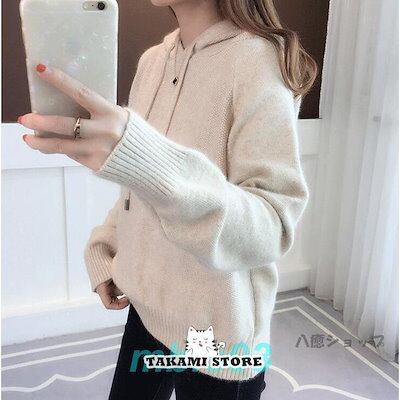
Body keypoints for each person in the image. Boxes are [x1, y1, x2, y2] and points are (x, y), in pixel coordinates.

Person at [19, 0, 318, 398]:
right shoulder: (153, 62)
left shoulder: (257, 61)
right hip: (146, 310)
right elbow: (139, 189)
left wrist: (147, 159)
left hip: (217, 335)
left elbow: (271, 227)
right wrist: (106, 247)